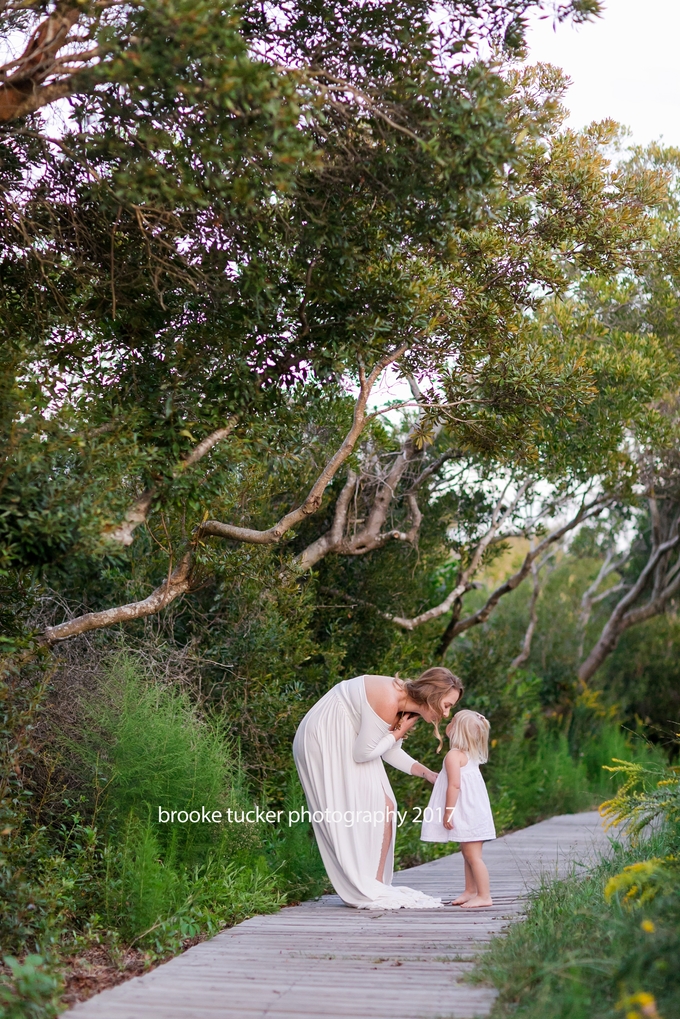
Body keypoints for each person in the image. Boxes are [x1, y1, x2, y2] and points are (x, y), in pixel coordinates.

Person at [293, 667, 463, 909]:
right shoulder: (389, 698)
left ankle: (375, 883)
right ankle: (369, 884)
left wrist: (427, 773)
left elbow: (389, 751)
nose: (446, 714)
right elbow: (364, 753)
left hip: (346, 737)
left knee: (386, 805)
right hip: (325, 733)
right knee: (382, 804)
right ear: (433, 694)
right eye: (446, 705)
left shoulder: (404, 706)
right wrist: (398, 733)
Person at [420, 709, 495, 908]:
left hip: (467, 812)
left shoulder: (454, 756)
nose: (448, 722)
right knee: (468, 854)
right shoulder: (470, 754)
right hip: (473, 810)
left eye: (452, 721)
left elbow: (454, 786)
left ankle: (484, 895)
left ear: (457, 731)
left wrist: (448, 811)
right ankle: (470, 891)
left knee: (473, 856)